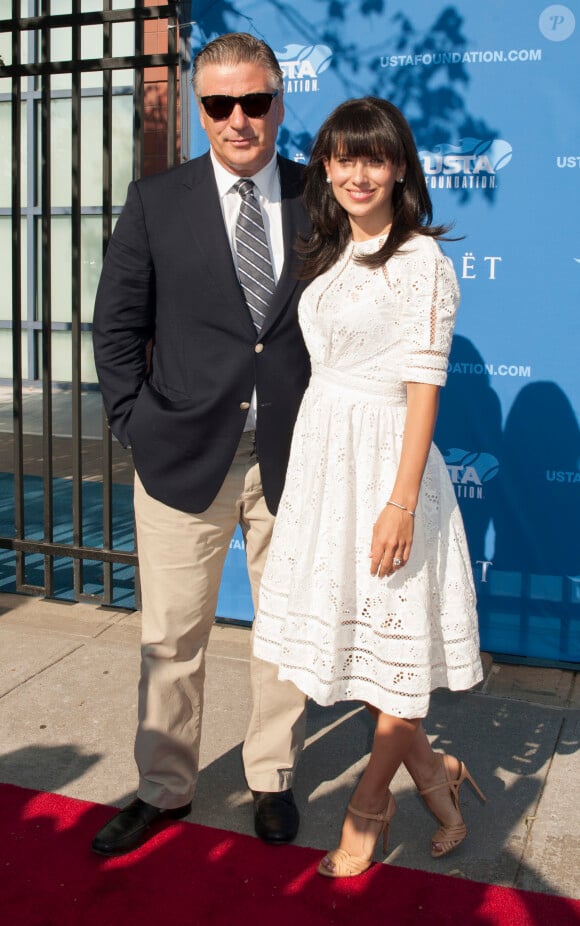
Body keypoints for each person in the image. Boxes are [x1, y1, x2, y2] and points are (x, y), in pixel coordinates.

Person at [252, 97, 486, 879]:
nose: (358, 173)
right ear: (325, 166)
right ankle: (436, 775)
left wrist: (399, 501)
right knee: (351, 646)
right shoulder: (326, 254)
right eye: (343, 158)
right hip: (327, 467)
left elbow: (423, 389)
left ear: (400, 170)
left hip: (387, 469)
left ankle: (369, 802)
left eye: (374, 158)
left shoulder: (422, 262)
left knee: (396, 651)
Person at [91, 33, 310, 856]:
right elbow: (115, 328)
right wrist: (134, 425)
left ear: (279, 102)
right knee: (171, 636)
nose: (238, 120)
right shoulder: (157, 200)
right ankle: (165, 786)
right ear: (199, 108)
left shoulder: (318, 193)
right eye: (219, 104)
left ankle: (273, 777)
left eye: (254, 101)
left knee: (285, 632)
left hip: (293, 458)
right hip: (182, 454)